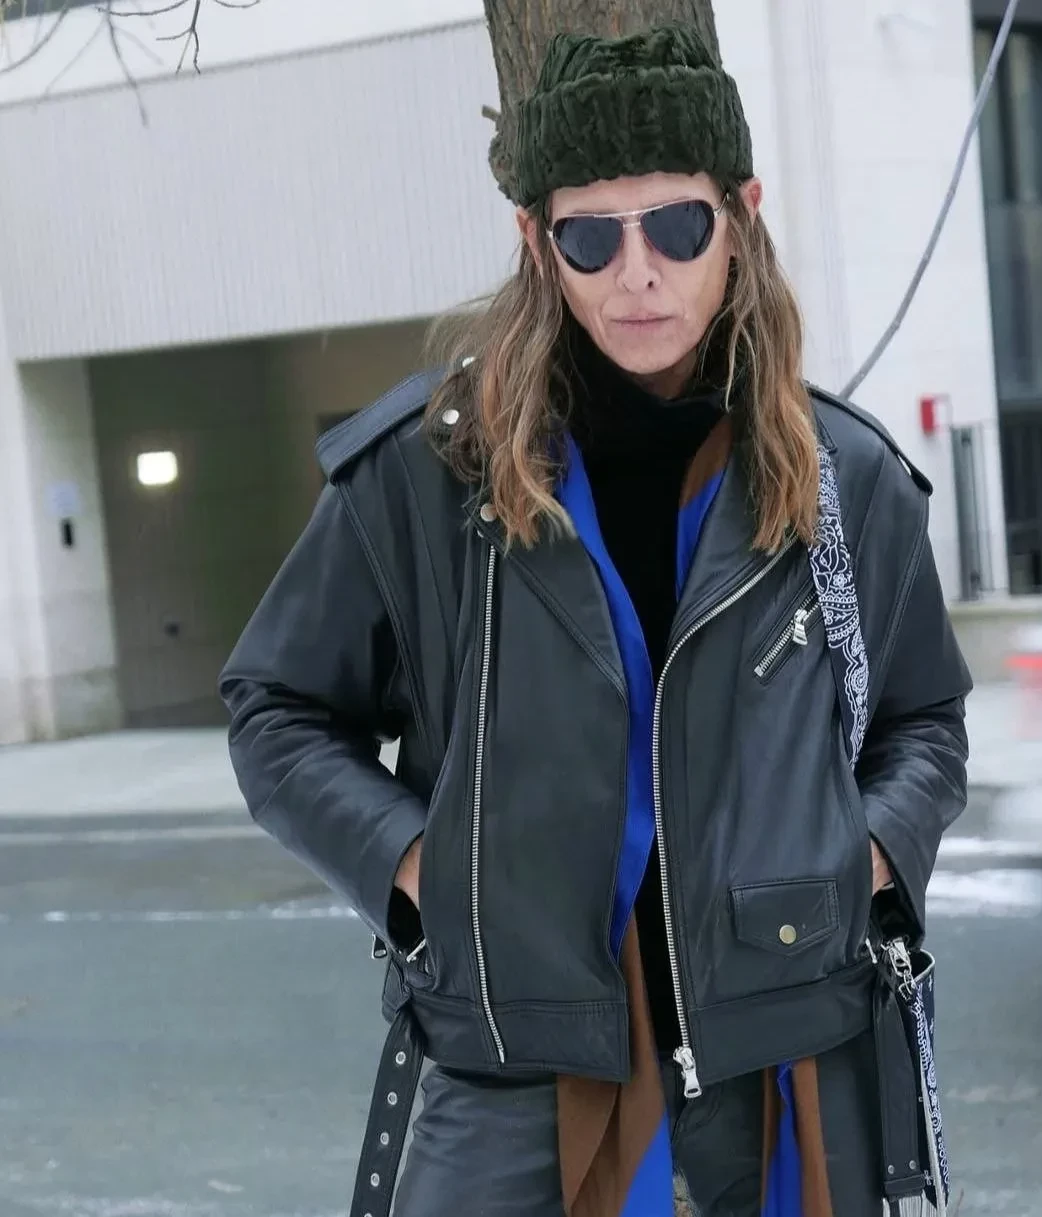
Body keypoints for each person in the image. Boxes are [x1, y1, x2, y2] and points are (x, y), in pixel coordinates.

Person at [219, 22, 970, 1217]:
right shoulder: (424, 475)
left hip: (788, 1055)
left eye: (676, 225)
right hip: (513, 1063)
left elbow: (923, 718)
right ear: (537, 241)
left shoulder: (847, 479)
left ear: (741, 217)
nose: (638, 273)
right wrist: (416, 867)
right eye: (591, 235)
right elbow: (276, 707)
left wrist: (863, 852)